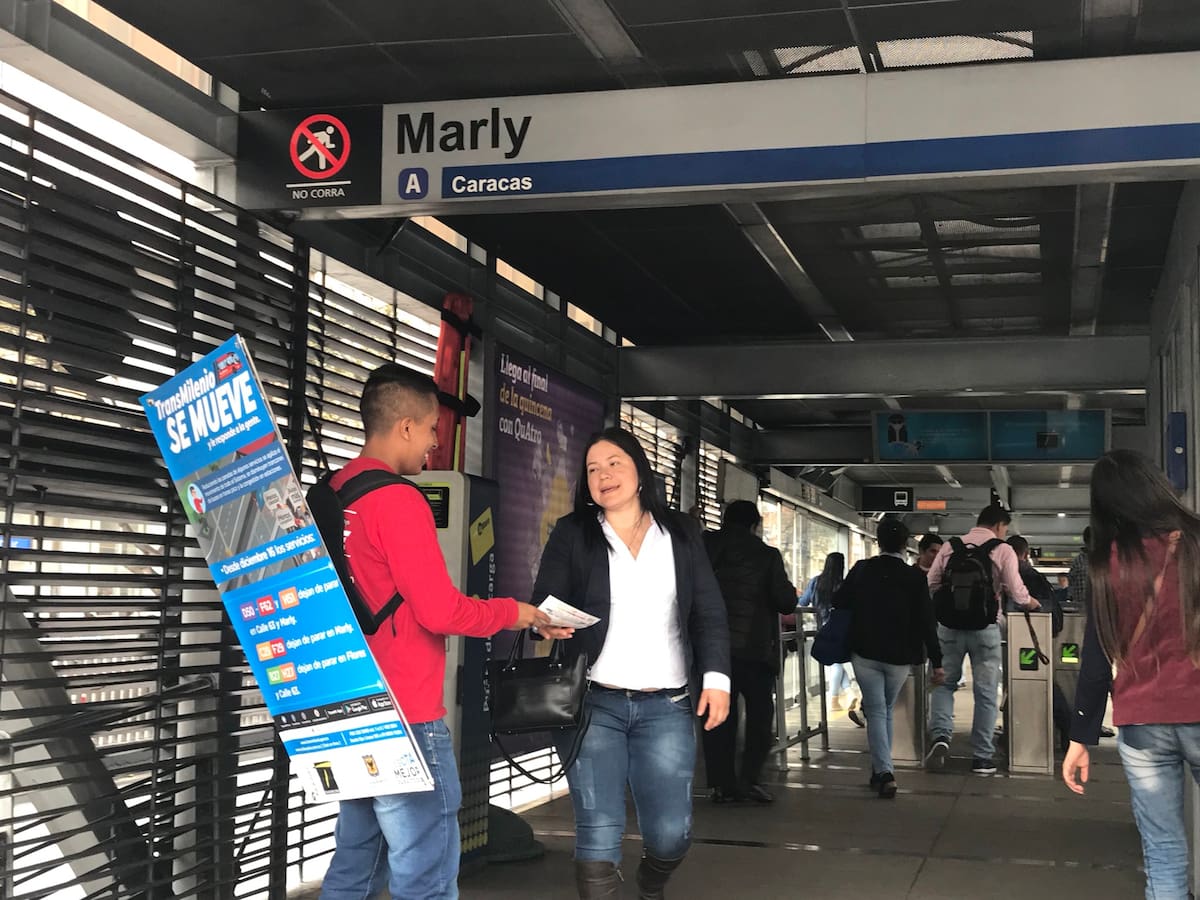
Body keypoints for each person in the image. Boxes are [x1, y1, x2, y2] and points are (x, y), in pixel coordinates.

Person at [319, 364, 551, 900]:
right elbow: (441, 612)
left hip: (349, 705)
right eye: (430, 430)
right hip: (405, 716)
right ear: (405, 426)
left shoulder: (331, 493)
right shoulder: (399, 500)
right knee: (424, 875)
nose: (433, 443)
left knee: (356, 863)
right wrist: (512, 612)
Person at [530, 426, 731, 900]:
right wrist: (545, 622)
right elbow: (544, 602)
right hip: (593, 704)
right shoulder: (574, 532)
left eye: (614, 463)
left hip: (668, 706)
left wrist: (717, 679)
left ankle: (650, 886)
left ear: (640, 470)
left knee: (671, 834)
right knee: (598, 829)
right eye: (593, 469)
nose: (603, 475)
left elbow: (708, 611)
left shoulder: (680, 533)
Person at [1063, 451, 1200, 898]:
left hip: (1142, 723)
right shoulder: (1196, 543)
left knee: (1163, 851)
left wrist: (1080, 738)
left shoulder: (1108, 564)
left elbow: (1096, 659)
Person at [832, 518, 944, 798]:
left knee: (877, 711)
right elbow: (927, 621)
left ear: (878, 542)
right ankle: (882, 769)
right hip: (900, 656)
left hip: (865, 651)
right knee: (884, 710)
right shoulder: (914, 578)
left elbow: (839, 601)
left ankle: (883, 771)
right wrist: (937, 661)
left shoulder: (862, 569)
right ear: (905, 545)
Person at [925, 506, 1041, 775]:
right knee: (986, 693)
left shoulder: (950, 546)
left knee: (943, 685)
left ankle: (940, 737)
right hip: (985, 629)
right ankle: (981, 757)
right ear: (999, 525)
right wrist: (1032, 603)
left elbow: (930, 583)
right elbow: (1018, 593)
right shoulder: (1002, 549)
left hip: (949, 628)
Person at [701, 500, 797, 804]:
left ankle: (721, 784)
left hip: (713, 649)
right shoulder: (767, 555)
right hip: (755, 650)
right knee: (759, 717)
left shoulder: (704, 547)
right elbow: (785, 601)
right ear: (755, 525)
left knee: (718, 716)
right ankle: (750, 779)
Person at [812, 552, 857, 712]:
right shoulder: (843, 585)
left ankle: (834, 699)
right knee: (836, 662)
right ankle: (846, 693)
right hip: (838, 626)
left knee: (834, 664)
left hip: (822, 626)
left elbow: (803, 600)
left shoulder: (816, 582)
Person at [1066, 527, 1092, 609]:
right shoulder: (1078, 561)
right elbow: (1070, 582)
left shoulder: (1077, 561)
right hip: (1081, 607)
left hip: (1095, 606)